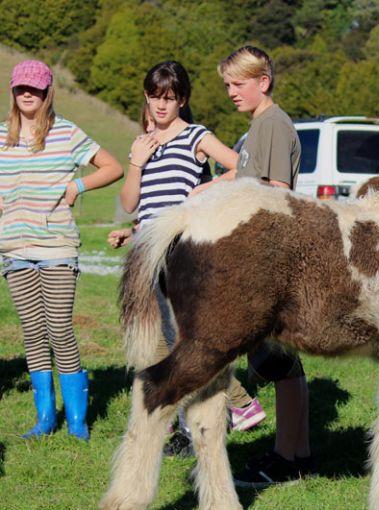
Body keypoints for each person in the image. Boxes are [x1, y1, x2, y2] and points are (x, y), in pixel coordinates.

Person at [116, 61, 264, 454]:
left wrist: (205, 190)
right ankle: (189, 418)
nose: (160, 106)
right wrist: (135, 162)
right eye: (154, 97)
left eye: (169, 98)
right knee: (167, 339)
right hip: (148, 253)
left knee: (186, 339)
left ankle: (241, 404)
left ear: (182, 100)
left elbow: (244, 167)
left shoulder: (196, 136)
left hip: (181, 249)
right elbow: (130, 202)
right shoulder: (142, 143)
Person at [196, 46, 312, 487]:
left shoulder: (273, 126)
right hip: (255, 256)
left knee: (279, 361)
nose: (230, 92)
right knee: (280, 361)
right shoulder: (257, 127)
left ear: (262, 81)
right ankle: (295, 453)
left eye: (237, 84)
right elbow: (247, 177)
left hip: (267, 258)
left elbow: (278, 192)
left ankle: (288, 457)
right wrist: (208, 190)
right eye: (226, 84)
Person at [0, 60, 124, 440]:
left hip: (56, 245)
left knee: (59, 330)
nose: (27, 94)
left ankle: (77, 422)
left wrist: (78, 187)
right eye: (21, 88)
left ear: (47, 92)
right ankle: (44, 419)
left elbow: (112, 167)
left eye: (34, 89)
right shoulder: (2, 136)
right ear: (13, 91)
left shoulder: (67, 133)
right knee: (33, 333)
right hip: (14, 248)